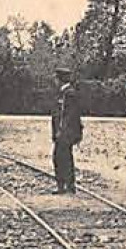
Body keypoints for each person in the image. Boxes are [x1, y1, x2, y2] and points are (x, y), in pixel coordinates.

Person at [50, 66, 82, 195]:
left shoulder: (69, 94)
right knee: (62, 157)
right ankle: (65, 185)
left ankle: (66, 185)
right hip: (62, 132)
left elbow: (68, 116)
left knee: (61, 158)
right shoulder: (64, 92)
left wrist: (61, 131)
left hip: (65, 133)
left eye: (56, 78)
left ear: (60, 79)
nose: (54, 81)